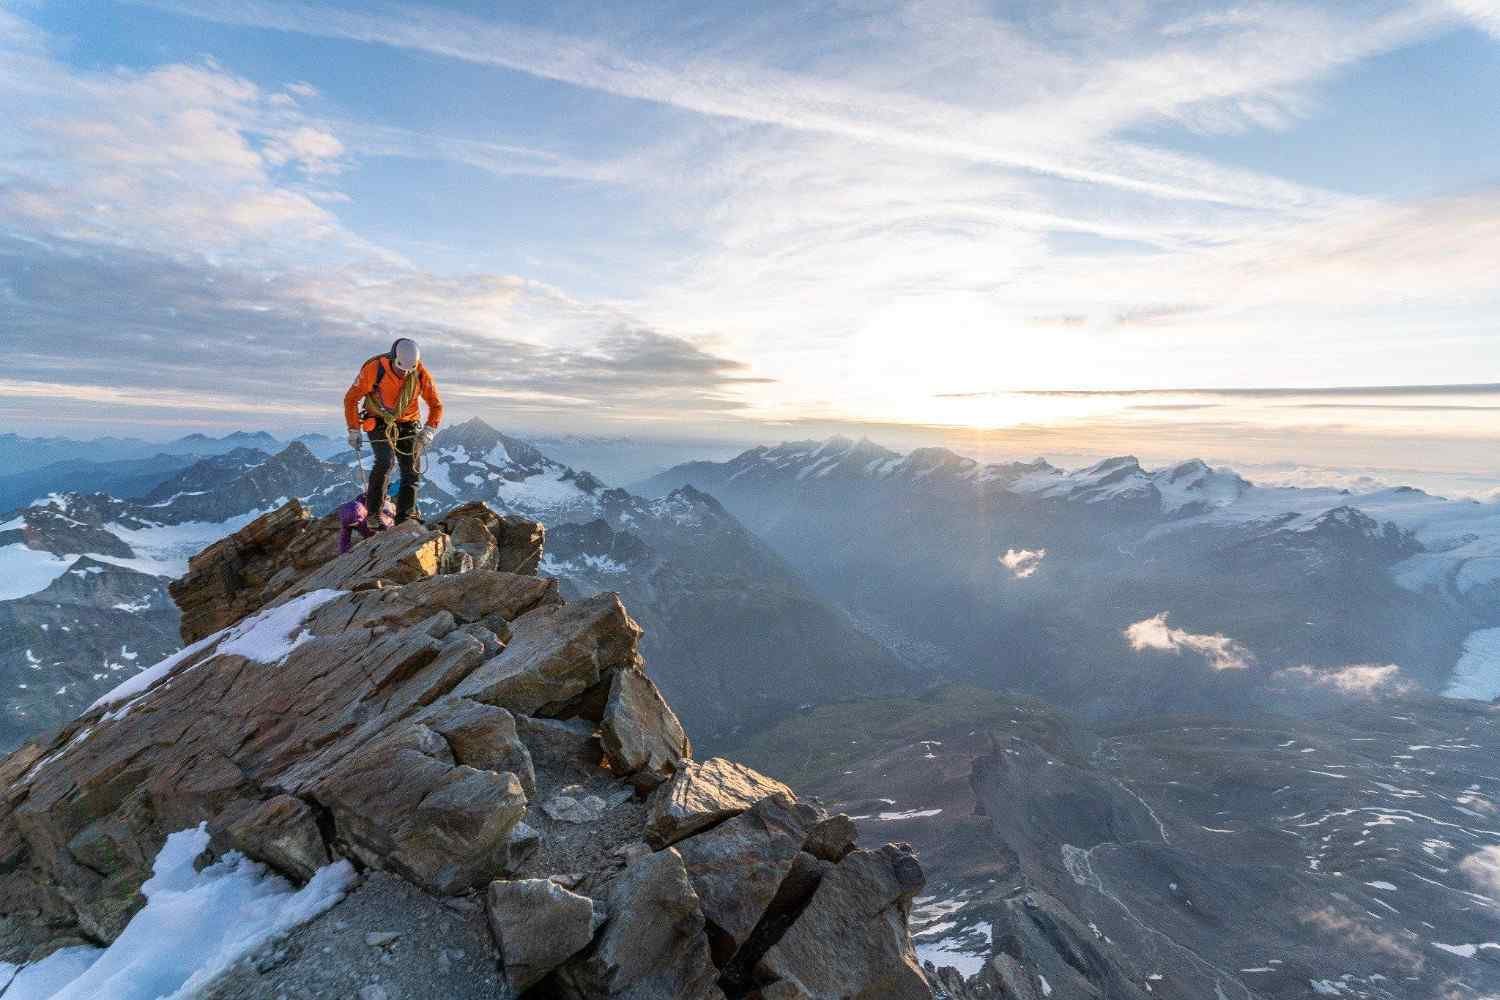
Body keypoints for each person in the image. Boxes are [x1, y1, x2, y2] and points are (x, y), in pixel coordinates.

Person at [343, 337, 443, 525]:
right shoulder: (375, 369)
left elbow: (436, 405)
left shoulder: (420, 373)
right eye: (400, 368)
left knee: (411, 469)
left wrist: (430, 429)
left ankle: (405, 517)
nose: (405, 373)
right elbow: (351, 399)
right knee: (385, 462)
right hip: (379, 420)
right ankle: (373, 515)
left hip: (408, 422)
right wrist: (353, 429)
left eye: (409, 369)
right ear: (392, 358)